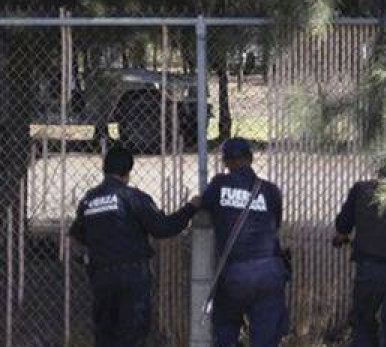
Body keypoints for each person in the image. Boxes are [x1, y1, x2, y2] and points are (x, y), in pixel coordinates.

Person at [69, 146, 199, 347]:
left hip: (101, 275)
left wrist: (88, 260)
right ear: (128, 172)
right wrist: (190, 208)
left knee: (105, 335)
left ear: (104, 169)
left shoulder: (88, 200)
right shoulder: (132, 197)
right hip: (132, 275)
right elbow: (163, 228)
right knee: (132, 335)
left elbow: (76, 239)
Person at [198, 137, 289, 347]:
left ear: (226, 162)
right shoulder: (270, 191)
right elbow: (275, 224)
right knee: (266, 338)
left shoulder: (218, 185)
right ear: (251, 158)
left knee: (226, 329)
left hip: (235, 274)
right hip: (269, 271)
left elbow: (204, 205)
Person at [333, 160, 386, 346]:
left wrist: (342, 237)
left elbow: (342, 226)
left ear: (379, 170)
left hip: (367, 271)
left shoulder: (361, 190)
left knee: (363, 324)